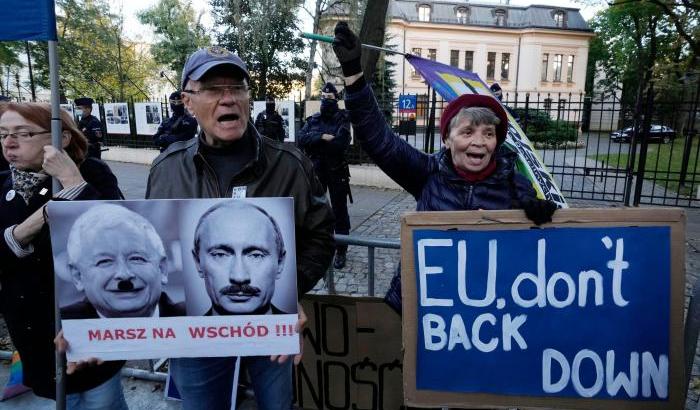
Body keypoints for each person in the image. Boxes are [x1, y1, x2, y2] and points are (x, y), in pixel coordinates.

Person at [145, 46, 335, 410]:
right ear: (188, 101)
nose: (228, 98)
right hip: (195, 338)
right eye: (214, 89)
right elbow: (158, 251)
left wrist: (290, 288)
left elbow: (320, 235)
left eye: (237, 87)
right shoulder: (165, 170)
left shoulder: (290, 164)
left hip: (269, 330)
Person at [331, 22, 557, 314]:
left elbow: (537, 262)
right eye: (468, 132)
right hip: (425, 307)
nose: (479, 142)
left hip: (485, 315)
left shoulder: (517, 187)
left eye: (488, 133)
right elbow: (379, 139)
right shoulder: (427, 173)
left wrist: (542, 222)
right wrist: (353, 72)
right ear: (448, 139)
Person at [0, 102, 126, 407]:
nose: (10, 142)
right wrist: (28, 227)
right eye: (3, 134)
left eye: (24, 133)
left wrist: (72, 183)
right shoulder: (3, 183)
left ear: (62, 137)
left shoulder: (92, 173)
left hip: (90, 328)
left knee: (101, 399)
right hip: (35, 331)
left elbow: (119, 236)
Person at [60, 203, 185, 319]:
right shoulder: (59, 324)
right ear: (78, 277)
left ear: (162, 269)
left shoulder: (192, 317)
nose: (124, 274)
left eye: (137, 259)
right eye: (105, 262)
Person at [193, 201, 289, 315]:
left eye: (256, 255)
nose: (239, 277)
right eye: (220, 255)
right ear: (198, 262)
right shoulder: (182, 331)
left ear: (280, 263)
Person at [298, 82, 352, 269]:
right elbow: (301, 138)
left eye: (329, 98)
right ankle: (314, 248)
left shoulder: (343, 119)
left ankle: (341, 251)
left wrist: (316, 140)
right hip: (317, 171)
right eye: (323, 97)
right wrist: (322, 137)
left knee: (339, 211)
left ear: (335, 99)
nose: (325, 100)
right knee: (314, 210)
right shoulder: (314, 119)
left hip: (337, 170)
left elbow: (341, 143)